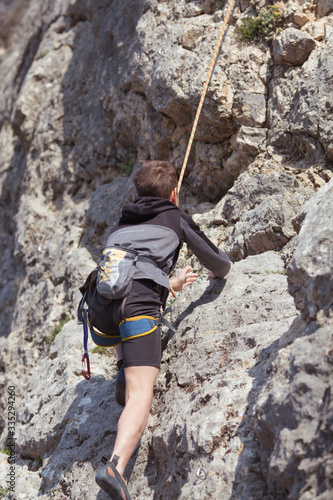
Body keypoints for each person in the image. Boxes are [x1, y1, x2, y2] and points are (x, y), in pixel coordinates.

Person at [95, 160, 231, 499]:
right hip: (139, 309)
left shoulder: (119, 226)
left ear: (137, 193)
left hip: (106, 313)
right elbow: (219, 262)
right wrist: (215, 272)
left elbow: (133, 271)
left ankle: (123, 366)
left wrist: (171, 283)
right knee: (141, 393)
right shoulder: (175, 216)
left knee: (128, 347)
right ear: (174, 194)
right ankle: (115, 466)